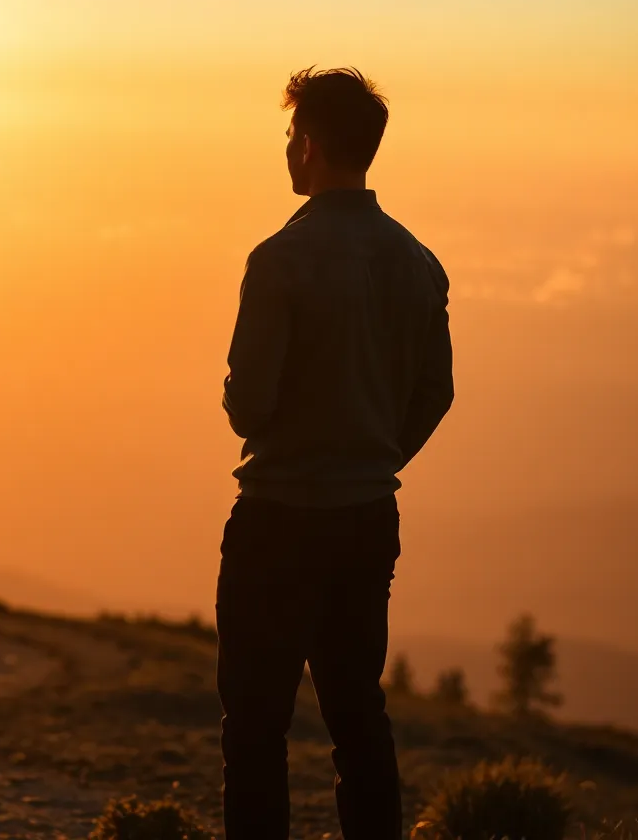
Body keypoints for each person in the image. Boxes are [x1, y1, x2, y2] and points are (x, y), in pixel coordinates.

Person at [217, 67, 454, 840]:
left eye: (291, 136)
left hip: (278, 520)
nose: (287, 150)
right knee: (359, 719)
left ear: (310, 145)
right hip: (365, 517)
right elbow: (435, 393)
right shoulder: (417, 262)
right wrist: (373, 452)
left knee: (256, 729)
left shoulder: (279, 259)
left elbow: (247, 405)